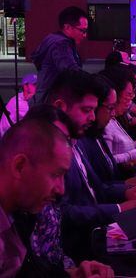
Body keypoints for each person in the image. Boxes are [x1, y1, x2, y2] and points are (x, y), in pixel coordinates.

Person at [46, 70, 136, 262]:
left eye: (93, 110)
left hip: (96, 234)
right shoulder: (50, 150)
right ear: (60, 107)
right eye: (86, 110)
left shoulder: (76, 141)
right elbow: (63, 214)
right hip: (84, 246)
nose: (91, 118)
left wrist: (125, 192)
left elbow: (96, 188)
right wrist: (118, 209)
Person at [0, 117, 113, 277]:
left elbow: (27, 272)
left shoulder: (19, 212)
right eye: (55, 175)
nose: (61, 190)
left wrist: (72, 275)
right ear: (20, 166)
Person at [31, 6, 88, 104]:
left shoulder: (52, 39)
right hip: (51, 104)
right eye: (82, 31)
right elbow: (71, 72)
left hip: (43, 100)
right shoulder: (61, 44)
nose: (85, 35)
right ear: (67, 27)